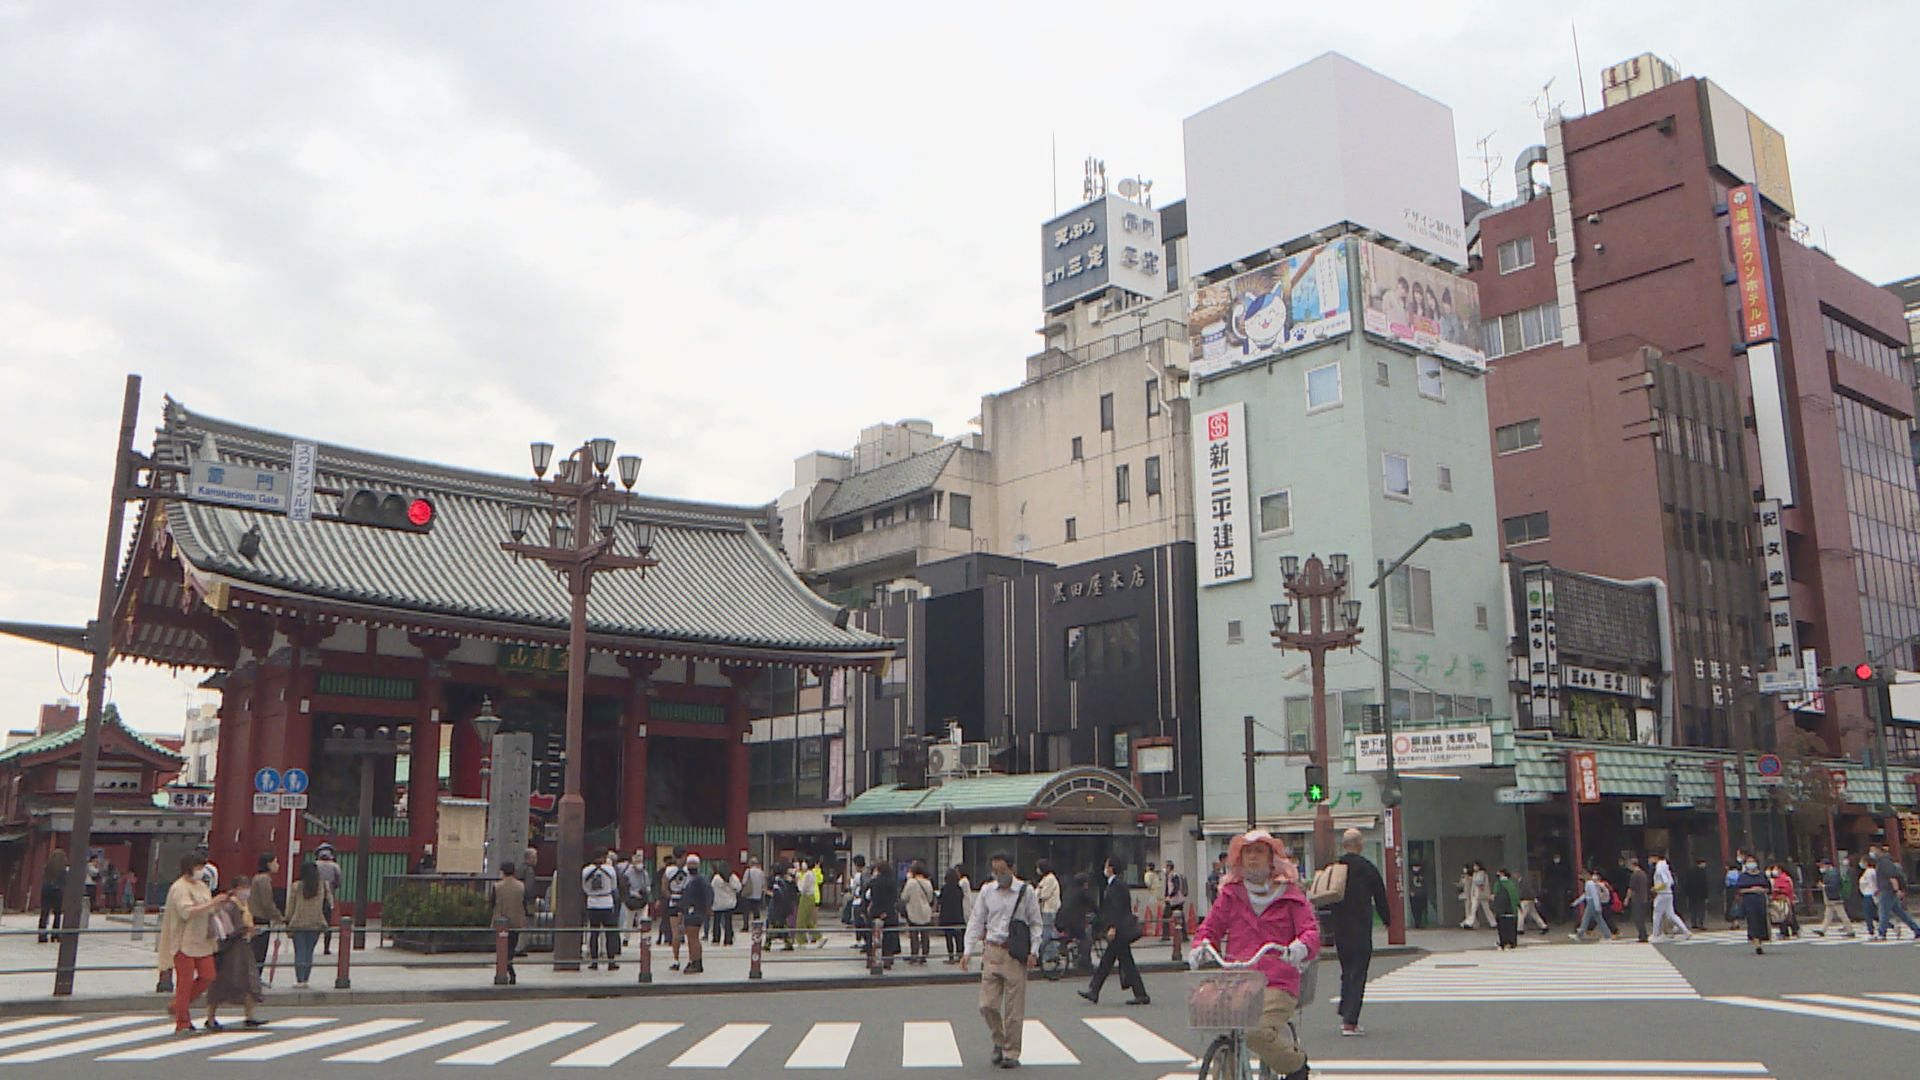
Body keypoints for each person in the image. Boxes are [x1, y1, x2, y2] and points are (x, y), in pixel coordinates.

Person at [1191, 830, 1318, 1080]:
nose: (1252, 857)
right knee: (1211, 1013)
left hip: (1277, 980)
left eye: (1259, 851)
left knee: (1256, 1030)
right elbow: (1210, 928)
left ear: (1272, 858)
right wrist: (1200, 946)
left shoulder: (1290, 894)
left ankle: (1296, 1066)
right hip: (1236, 977)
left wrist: (1299, 948)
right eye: (1247, 852)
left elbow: (1310, 931)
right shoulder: (1231, 894)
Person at [962, 851, 1043, 1070]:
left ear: (1012, 869)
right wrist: (967, 950)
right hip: (992, 950)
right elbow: (976, 920)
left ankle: (1011, 1052)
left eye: (1003, 871)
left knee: (1014, 1009)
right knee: (987, 1005)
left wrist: (1034, 950)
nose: (999, 876)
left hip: (1014, 954)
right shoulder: (987, 891)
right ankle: (999, 1039)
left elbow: (1036, 923)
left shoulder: (1026, 892)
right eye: (995, 872)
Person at [1325, 828, 1391, 1036]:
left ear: (1344, 845)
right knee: (1358, 972)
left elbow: (1324, 896)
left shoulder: (1335, 868)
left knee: (1347, 971)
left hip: (1340, 926)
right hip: (1360, 926)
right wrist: (1387, 919)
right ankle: (1350, 1021)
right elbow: (1380, 895)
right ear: (1360, 845)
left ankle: (1345, 1010)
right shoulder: (1367, 868)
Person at [157, 853, 227, 1034]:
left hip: (202, 940)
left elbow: (207, 908)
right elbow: (186, 911)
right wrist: (212, 903)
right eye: (198, 867)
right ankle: (183, 1021)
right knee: (184, 983)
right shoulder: (179, 888)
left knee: (208, 976)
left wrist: (217, 905)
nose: (201, 871)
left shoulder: (202, 886)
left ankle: (179, 1005)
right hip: (183, 941)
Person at [1079, 856, 1148, 1006]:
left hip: (1120, 930)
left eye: (1106, 865)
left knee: (1110, 961)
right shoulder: (1115, 885)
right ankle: (1096, 990)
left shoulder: (1117, 886)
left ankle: (1095, 990)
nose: (1104, 868)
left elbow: (1118, 909)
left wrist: (1113, 927)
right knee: (1117, 961)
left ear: (1111, 868)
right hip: (1120, 930)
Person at [203, 876, 266, 1031]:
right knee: (223, 983)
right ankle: (211, 1017)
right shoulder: (230, 906)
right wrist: (247, 930)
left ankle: (249, 1015)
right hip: (231, 950)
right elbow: (229, 929)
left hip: (242, 948)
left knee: (249, 982)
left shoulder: (242, 905)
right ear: (236, 889)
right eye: (243, 887)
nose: (246, 891)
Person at [283, 860, 330, 988]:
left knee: (300, 951)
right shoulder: (322, 886)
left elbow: (291, 907)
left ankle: (300, 979)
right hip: (316, 922)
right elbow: (329, 903)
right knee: (309, 951)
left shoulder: (296, 886)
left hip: (298, 922)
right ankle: (306, 979)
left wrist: (287, 919)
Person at [581, 850, 621, 971]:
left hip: (592, 902)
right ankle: (611, 961)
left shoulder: (586, 870)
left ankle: (594, 962)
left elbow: (584, 887)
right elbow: (614, 887)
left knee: (594, 933)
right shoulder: (610, 870)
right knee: (610, 934)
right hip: (606, 902)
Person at [248, 853, 284, 975]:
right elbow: (267, 903)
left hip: (255, 917)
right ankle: (255, 976)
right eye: (275, 862)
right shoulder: (264, 880)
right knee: (259, 951)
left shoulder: (258, 878)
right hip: (260, 918)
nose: (277, 865)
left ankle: (254, 976)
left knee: (256, 951)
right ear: (268, 864)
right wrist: (279, 916)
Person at [1055, 872, 1097, 975]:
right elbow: (1092, 904)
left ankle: (1064, 944)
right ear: (1084, 883)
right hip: (1073, 922)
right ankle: (1085, 962)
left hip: (1060, 919)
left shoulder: (1069, 890)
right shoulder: (1082, 892)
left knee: (1071, 935)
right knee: (1085, 939)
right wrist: (1099, 912)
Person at [1873, 852, 1920, 941]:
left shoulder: (1884, 863)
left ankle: (1882, 933)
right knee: (1900, 913)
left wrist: (1897, 890)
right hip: (1889, 890)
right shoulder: (1888, 862)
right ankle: (1916, 929)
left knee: (1883, 912)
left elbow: (1892, 878)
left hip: (1887, 890)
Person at [863, 859, 900, 967]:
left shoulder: (873, 882)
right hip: (889, 912)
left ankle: (871, 959)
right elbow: (895, 898)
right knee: (889, 936)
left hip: (875, 911)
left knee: (872, 936)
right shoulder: (893, 882)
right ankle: (888, 959)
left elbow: (868, 896)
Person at [679, 853, 710, 973]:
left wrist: (708, 907)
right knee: (692, 938)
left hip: (696, 910)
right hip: (689, 910)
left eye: (693, 864)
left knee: (693, 938)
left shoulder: (700, 879)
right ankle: (694, 959)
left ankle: (696, 961)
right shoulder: (687, 879)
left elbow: (708, 893)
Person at [1650, 853, 1691, 942]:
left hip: (1662, 894)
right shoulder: (1666, 866)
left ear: (1656, 857)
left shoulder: (1659, 867)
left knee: (1657, 915)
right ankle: (1686, 931)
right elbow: (1671, 881)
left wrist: (1656, 888)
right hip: (1668, 893)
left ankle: (1656, 934)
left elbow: (1665, 882)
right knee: (1671, 914)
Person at [1733, 857, 1771, 954]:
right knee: (1752, 920)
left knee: (1762, 920)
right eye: (1749, 862)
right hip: (1749, 901)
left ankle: (1761, 940)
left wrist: (1762, 890)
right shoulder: (1743, 876)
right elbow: (1739, 890)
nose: (1751, 863)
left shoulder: (1762, 875)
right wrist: (1751, 890)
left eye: (1753, 861)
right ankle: (1756, 942)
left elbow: (1768, 888)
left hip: (1761, 900)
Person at [903, 861, 936, 965]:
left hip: (914, 912)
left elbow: (904, 897)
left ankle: (914, 955)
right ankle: (924, 955)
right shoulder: (928, 883)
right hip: (925, 912)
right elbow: (930, 898)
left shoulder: (911, 883)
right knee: (925, 935)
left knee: (914, 936)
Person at [1813, 857, 1854, 938]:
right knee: (1828, 915)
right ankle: (1823, 930)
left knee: (1842, 914)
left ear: (1827, 865)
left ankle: (1850, 930)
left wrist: (1824, 886)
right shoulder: (1830, 873)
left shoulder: (1833, 874)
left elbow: (1835, 885)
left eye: (1822, 866)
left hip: (1835, 897)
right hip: (1831, 897)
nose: (1821, 868)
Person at [618, 850, 651, 947]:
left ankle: (643, 938)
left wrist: (646, 890)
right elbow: (625, 887)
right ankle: (626, 938)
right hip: (631, 900)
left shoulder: (644, 873)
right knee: (629, 920)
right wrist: (633, 893)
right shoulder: (628, 873)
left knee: (643, 919)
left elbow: (647, 884)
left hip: (643, 900)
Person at [1571, 869, 1614, 942]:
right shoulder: (1589, 883)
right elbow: (1586, 895)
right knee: (1587, 919)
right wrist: (1576, 902)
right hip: (1591, 902)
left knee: (1596, 919)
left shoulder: (1590, 884)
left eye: (1581, 875)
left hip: (1592, 903)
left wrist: (1597, 906)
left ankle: (1607, 936)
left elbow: (1594, 895)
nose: (1580, 877)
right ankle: (1579, 935)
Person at [314, 844, 341, 955]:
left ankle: (312, 945)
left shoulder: (314, 865)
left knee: (314, 923)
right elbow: (338, 882)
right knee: (327, 923)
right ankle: (326, 948)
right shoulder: (335, 866)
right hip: (328, 897)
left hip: (315, 897)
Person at [37, 846, 66, 943]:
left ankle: (42, 935)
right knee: (57, 913)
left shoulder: (47, 867)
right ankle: (55, 934)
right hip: (57, 891)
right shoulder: (62, 869)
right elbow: (64, 882)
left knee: (44, 913)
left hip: (46, 889)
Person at [938, 866, 968, 963]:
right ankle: (959, 955)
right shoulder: (959, 889)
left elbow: (940, 901)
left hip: (947, 917)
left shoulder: (944, 889)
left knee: (949, 938)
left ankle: (950, 957)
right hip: (957, 916)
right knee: (959, 938)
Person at [660, 852, 686, 959]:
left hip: (673, 901)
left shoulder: (669, 871)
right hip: (685, 901)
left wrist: (670, 896)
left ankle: (676, 958)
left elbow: (664, 888)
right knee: (690, 932)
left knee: (675, 931)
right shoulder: (687, 870)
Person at [709, 860, 740, 946]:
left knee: (716, 922)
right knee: (728, 922)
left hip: (718, 903)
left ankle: (716, 938)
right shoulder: (733, 877)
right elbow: (738, 888)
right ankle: (728, 939)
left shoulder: (716, 878)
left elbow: (711, 888)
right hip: (729, 903)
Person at [768, 861, 798, 950]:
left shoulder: (776, 881)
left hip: (776, 905)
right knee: (783, 923)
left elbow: (776, 894)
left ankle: (768, 943)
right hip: (786, 904)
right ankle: (788, 943)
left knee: (772, 923)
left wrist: (769, 893)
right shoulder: (788, 880)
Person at [795, 857, 822, 947]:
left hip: (806, 897)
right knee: (808, 920)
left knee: (801, 920)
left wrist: (798, 881)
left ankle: (801, 941)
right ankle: (819, 937)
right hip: (811, 897)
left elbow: (802, 889)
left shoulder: (807, 875)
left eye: (804, 862)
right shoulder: (812, 873)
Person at [1492, 867, 1520, 950]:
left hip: (1501, 910)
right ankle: (1511, 943)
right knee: (1511, 927)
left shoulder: (1498, 884)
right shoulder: (1511, 884)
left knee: (1502, 927)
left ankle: (1503, 942)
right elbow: (1515, 896)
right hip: (1511, 910)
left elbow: (1495, 895)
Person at [1767, 864, 1798, 939]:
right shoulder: (1778, 878)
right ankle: (1789, 931)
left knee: (1784, 916)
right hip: (1780, 899)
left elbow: (1787, 889)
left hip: (1784, 899)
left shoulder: (1784, 878)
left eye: (1775, 869)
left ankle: (1787, 932)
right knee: (1784, 916)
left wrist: (1778, 891)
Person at [1462, 862, 1496, 930]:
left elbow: (1480, 882)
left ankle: (1493, 923)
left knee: (1483, 909)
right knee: (1475, 909)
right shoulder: (1475, 874)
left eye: (1475, 866)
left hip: (1480, 894)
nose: (1474, 867)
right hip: (1477, 895)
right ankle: (1469, 923)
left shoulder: (1482, 873)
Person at [1161, 860, 1188, 940]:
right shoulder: (1171, 875)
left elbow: (1176, 887)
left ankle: (1166, 936)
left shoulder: (1173, 875)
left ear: (1169, 867)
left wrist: (1169, 896)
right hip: (1177, 900)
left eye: (1166, 867)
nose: (1164, 869)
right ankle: (1184, 936)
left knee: (1166, 916)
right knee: (1180, 917)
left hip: (1174, 900)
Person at [1628, 857, 1651, 943]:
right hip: (1644, 898)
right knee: (1641, 918)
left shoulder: (1635, 875)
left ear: (1632, 865)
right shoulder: (1643, 874)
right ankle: (1643, 934)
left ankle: (1642, 935)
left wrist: (1627, 898)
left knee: (1637, 918)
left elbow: (1631, 888)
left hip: (1637, 898)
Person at [1684, 858, 1711, 932]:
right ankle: (1700, 923)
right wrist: (1706, 895)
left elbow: (1687, 883)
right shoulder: (1702, 872)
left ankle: (1694, 923)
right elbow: (1705, 884)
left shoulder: (1690, 871)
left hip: (1691, 894)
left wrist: (1687, 893)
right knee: (1701, 909)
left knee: (1693, 908)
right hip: (1701, 894)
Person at [1517, 870, 1549, 934]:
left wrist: (1534, 898)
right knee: (1534, 914)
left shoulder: (1523, 882)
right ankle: (1543, 926)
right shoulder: (1523, 881)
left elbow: (1529, 890)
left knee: (1521, 914)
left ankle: (1520, 929)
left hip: (1525, 899)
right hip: (1529, 899)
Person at [1034, 859, 1061, 933]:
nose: (1037, 870)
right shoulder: (1045, 878)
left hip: (1049, 910)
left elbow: (1044, 895)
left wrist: (1038, 892)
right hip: (1045, 909)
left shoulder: (1050, 879)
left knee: (1047, 931)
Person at [741, 855, 768, 929]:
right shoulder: (761, 872)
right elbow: (763, 883)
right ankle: (756, 926)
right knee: (756, 911)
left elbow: (744, 882)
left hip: (748, 894)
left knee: (746, 912)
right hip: (757, 895)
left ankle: (745, 927)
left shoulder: (748, 871)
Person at [1407, 860, 1428, 930]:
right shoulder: (1410, 875)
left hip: (1421, 894)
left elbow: (1424, 884)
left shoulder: (1422, 874)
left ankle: (1420, 922)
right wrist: (1410, 891)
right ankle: (1417, 923)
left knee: (1420, 909)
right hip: (1414, 895)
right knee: (1415, 909)